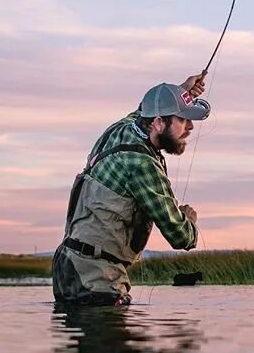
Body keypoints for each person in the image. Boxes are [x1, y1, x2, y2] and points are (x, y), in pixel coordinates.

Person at [52, 73, 210, 307]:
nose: (189, 127)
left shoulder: (121, 128)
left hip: (68, 265)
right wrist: (189, 220)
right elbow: (181, 237)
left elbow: (143, 109)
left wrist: (181, 92)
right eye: (182, 119)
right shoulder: (142, 164)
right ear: (157, 122)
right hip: (97, 278)